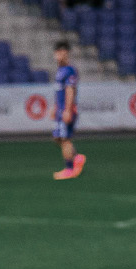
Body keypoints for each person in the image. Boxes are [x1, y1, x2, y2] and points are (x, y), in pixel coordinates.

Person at [50, 41, 85, 180]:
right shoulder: (60, 71)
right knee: (57, 137)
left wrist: (68, 110)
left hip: (66, 109)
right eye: (57, 52)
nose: (59, 55)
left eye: (62, 52)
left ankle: (69, 169)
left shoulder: (69, 71)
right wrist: (55, 107)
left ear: (66, 54)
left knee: (65, 139)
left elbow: (70, 90)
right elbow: (60, 92)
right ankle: (77, 157)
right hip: (60, 109)